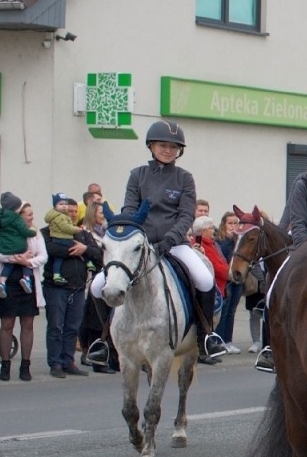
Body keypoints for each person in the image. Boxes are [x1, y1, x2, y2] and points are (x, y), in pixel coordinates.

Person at [91, 119, 226, 365]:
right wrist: (137, 239)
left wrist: (169, 240)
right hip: (139, 246)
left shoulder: (184, 178)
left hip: (173, 244)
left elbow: (186, 214)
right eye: (162, 145)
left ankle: (206, 336)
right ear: (151, 146)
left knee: (205, 279)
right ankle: (106, 342)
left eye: (173, 147)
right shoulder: (137, 175)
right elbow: (130, 209)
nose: (167, 150)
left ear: (179, 151)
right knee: (97, 285)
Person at [0, 200, 45, 381]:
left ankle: (25, 365)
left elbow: (43, 256)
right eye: (28, 214)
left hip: (27, 281)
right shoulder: (3, 232)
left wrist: (28, 262)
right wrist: (14, 259)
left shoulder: (34, 234)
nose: (31, 217)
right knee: (7, 324)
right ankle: (5, 364)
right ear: (18, 217)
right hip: (8, 282)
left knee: (28, 324)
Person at [43, 198, 100, 378]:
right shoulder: (47, 231)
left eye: (75, 211)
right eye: (68, 211)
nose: (72, 214)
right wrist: (73, 250)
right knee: (56, 327)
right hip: (56, 287)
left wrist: (85, 249)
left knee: (72, 327)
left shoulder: (83, 233)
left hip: (77, 287)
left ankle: (68, 361)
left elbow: (98, 254)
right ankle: (55, 363)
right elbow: (48, 249)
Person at [216, 212, 245, 356]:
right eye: (230, 223)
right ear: (224, 224)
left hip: (237, 279)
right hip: (226, 280)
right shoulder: (220, 240)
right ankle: (220, 341)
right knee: (224, 311)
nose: (233, 226)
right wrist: (229, 239)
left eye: (235, 223)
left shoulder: (239, 240)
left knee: (232, 311)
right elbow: (224, 256)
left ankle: (228, 341)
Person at [43, 194, 80, 286]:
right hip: (55, 287)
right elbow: (51, 249)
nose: (74, 214)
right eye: (61, 204)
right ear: (55, 206)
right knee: (59, 259)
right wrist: (77, 251)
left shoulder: (80, 231)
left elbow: (95, 251)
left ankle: (57, 275)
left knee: (59, 259)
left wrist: (86, 249)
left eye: (65, 204)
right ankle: (56, 275)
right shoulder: (57, 221)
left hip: (77, 284)